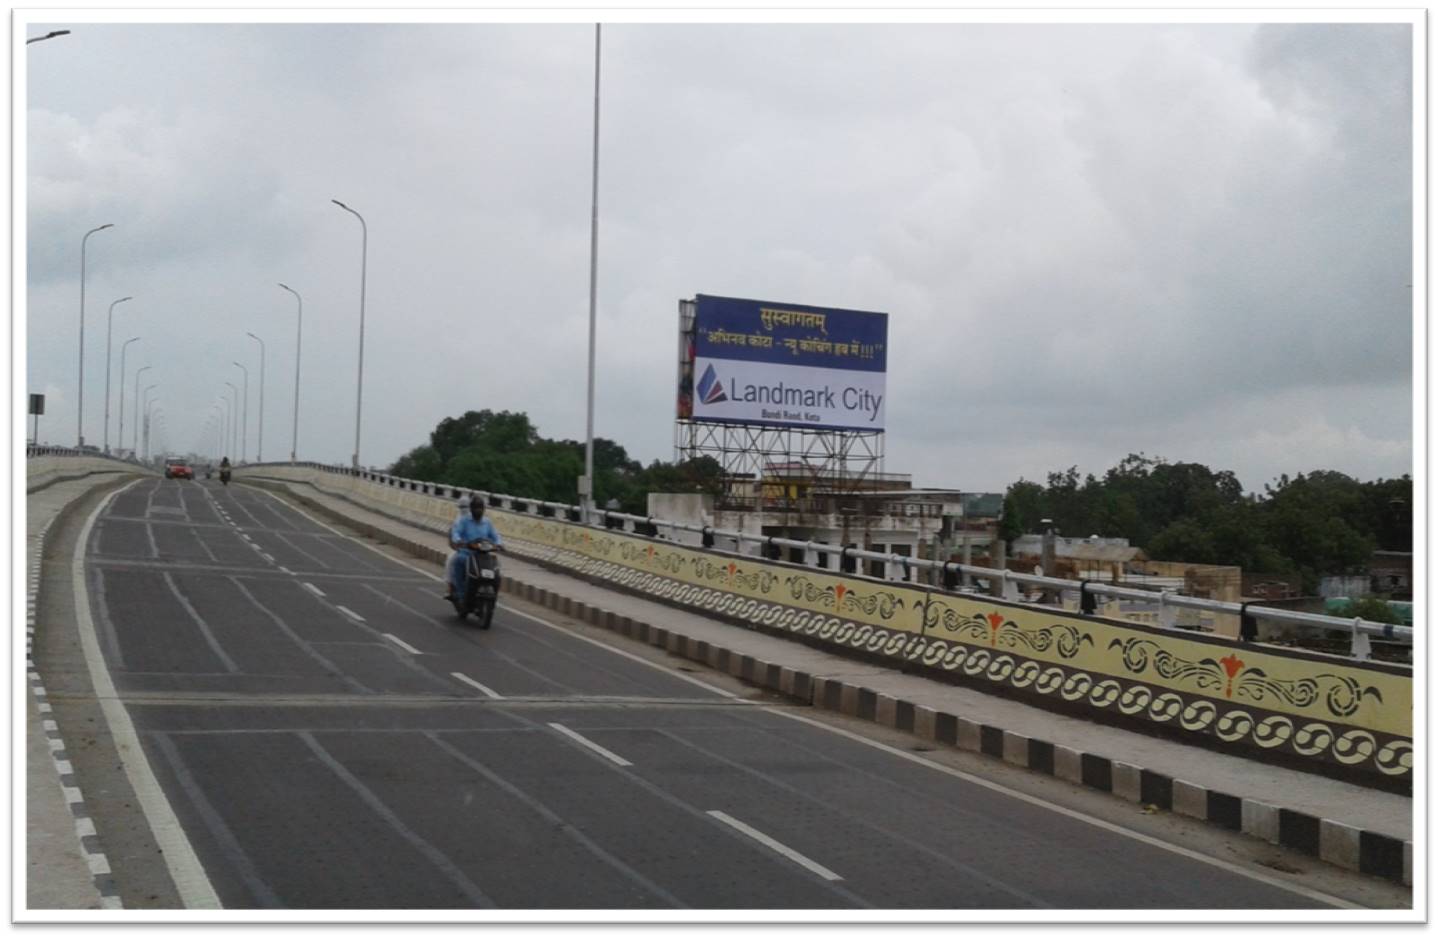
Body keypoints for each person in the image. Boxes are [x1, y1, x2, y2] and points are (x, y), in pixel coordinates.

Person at [445, 496, 503, 601]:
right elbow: (456, 532)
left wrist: (499, 544)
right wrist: (458, 540)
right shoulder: (464, 521)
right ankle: (461, 592)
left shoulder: (487, 522)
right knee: (457, 561)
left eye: (480, 507)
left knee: (497, 567)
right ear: (471, 509)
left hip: (483, 554)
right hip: (467, 553)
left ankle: (494, 593)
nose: (478, 510)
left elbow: (495, 535)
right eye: (476, 508)